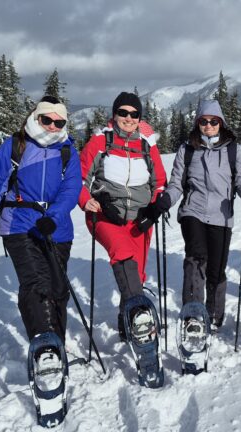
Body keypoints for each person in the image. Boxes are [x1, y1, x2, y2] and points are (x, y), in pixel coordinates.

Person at [0, 96, 81, 345]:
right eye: (47, 120)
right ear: (36, 117)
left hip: (57, 227)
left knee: (58, 289)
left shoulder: (67, 151)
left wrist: (53, 218)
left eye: (59, 122)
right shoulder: (15, 147)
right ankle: (44, 345)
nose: (52, 127)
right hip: (19, 224)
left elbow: (71, 189)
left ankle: (57, 347)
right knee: (35, 283)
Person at [152, 99, 241, 330]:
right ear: (197, 122)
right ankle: (193, 312)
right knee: (195, 258)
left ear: (221, 123)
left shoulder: (232, 149)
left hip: (221, 214)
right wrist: (168, 198)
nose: (208, 126)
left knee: (216, 267)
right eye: (204, 121)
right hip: (193, 210)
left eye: (213, 121)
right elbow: (177, 183)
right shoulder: (187, 149)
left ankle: (215, 313)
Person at [78, 91, 167, 341]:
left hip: (139, 219)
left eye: (134, 114)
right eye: (123, 113)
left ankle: (126, 321)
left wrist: (154, 207)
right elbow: (78, 177)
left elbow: (160, 181)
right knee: (122, 252)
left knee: (136, 274)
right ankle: (140, 314)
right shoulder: (100, 142)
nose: (128, 118)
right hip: (106, 216)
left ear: (140, 118)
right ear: (114, 114)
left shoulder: (147, 146)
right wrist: (86, 201)